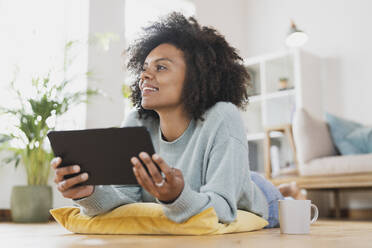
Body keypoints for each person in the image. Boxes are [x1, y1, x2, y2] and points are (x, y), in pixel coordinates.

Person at [51, 12, 304, 228]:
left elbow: (225, 208)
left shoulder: (223, 116)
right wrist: (89, 193)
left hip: (252, 193)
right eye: (145, 67)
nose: (145, 75)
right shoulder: (136, 122)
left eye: (160, 67)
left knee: (281, 204)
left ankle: (287, 192)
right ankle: (286, 188)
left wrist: (177, 196)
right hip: (230, 176)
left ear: (197, 77)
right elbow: (126, 198)